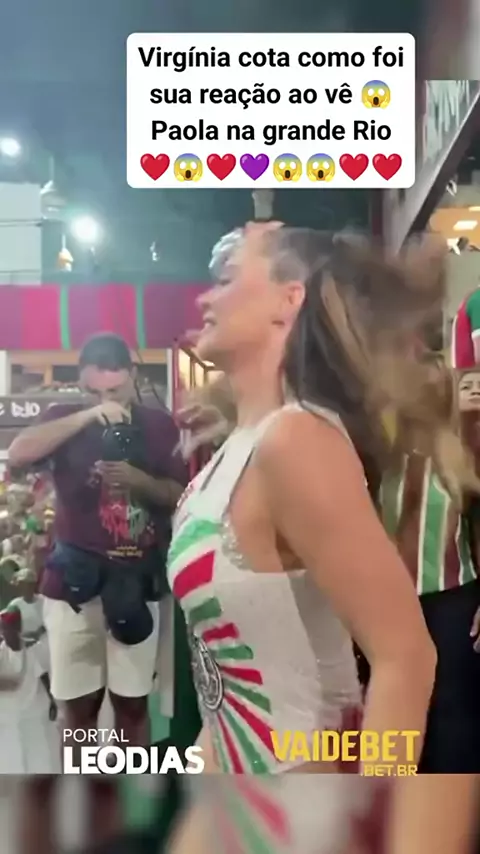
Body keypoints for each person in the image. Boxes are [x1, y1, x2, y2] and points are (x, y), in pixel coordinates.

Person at [166, 222, 448, 781]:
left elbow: (406, 657)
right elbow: (225, 690)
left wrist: (372, 809)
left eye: (226, 278)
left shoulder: (295, 440)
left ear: (287, 301)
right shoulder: (236, 451)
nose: (204, 298)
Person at [8, 332, 187, 751]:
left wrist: (141, 482)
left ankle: (131, 786)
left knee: (133, 704)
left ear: (133, 375)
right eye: (94, 391)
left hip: (137, 584)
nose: (106, 399)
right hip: (73, 585)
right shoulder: (63, 416)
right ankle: (81, 788)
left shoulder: (159, 425)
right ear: (80, 383)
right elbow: (17, 453)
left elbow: (181, 495)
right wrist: (89, 415)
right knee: (77, 708)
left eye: (115, 390)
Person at [379, 359, 480, 772]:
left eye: (437, 382)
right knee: (395, 712)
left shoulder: (463, 452)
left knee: (453, 716)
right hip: (387, 604)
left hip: (453, 602)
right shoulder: (377, 453)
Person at [0, 606, 60, 773]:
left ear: (18, 628)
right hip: (10, 717)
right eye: (3, 629)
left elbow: (44, 675)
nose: (6, 633)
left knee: (39, 757)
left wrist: (53, 700)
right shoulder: (2, 653)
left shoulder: (33, 649)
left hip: (33, 714)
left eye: (9, 629)